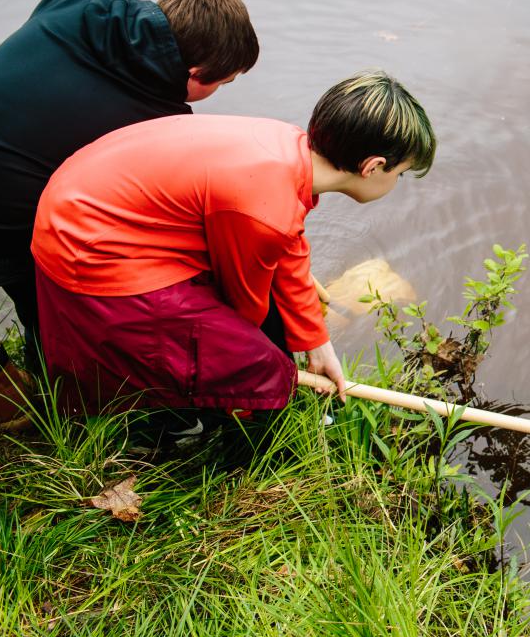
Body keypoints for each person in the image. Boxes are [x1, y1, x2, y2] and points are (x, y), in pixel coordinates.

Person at [30, 70, 436, 423]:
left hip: (77, 204)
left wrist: (315, 340)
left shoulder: (284, 145)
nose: (394, 183)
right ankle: (199, 422)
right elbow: (244, 304)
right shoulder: (265, 209)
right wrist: (261, 361)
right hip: (87, 247)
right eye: (399, 173)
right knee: (257, 364)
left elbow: (289, 248)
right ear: (373, 166)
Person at [0, 0, 258, 380]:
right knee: (46, 311)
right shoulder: (155, 124)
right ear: (195, 77)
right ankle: (47, 403)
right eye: (222, 82)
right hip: (4, 220)